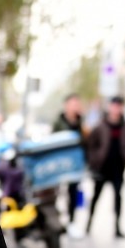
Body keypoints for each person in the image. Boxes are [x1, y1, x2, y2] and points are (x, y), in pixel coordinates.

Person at [85, 96, 125, 238]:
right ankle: (88, 225)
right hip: (102, 168)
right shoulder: (100, 126)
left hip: (118, 168)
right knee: (96, 197)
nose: (116, 109)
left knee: (118, 197)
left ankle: (117, 228)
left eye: (119, 106)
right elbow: (91, 145)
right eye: (114, 105)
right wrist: (94, 161)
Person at [53, 94, 87, 226]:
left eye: (77, 104)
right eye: (73, 104)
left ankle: (71, 220)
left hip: (76, 163)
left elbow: (86, 141)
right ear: (66, 105)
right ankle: (56, 220)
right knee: (57, 191)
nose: (75, 107)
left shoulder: (82, 122)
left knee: (74, 192)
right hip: (60, 162)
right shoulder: (58, 122)